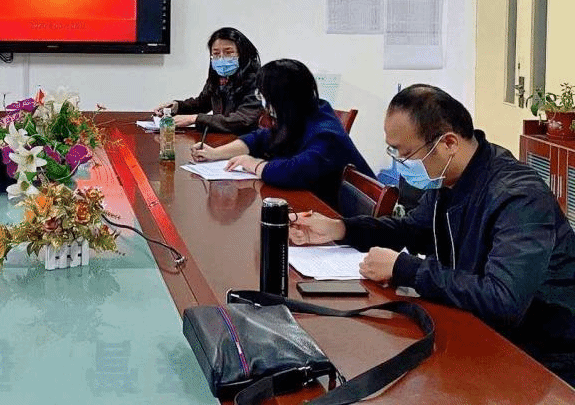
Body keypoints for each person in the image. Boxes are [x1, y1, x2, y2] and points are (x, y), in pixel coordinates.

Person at [289, 84, 575, 385]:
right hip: (478, 328)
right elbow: (410, 229)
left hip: (542, 356)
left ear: (448, 143)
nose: (402, 165)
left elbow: (503, 300)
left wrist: (404, 268)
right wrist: (342, 228)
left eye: (407, 154)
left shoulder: (519, 197)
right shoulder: (451, 177)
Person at [191, 59, 373, 208]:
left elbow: (294, 171)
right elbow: (260, 138)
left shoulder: (326, 134)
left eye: (264, 96)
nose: (262, 102)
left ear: (282, 99)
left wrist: (254, 164)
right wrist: (215, 153)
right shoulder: (300, 113)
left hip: (343, 218)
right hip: (313, 203)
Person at [154, 27, 263, 133]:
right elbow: (202, 104)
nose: (221, 58)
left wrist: (195, 119)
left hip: (247, 141)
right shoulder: (218, 77)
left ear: (243, 54)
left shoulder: (257, 80)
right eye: (216, 54)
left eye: (228, 53)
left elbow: (242, 120)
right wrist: (176, 107)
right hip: (222, 138)